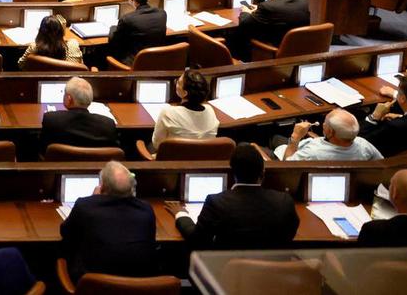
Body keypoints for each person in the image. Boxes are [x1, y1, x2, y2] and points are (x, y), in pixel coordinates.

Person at [170, 144, 299, 249]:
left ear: (233, 173)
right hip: (273, 275)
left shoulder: (216, 202)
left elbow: (197, 239)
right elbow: (289, 235)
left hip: (229, 275)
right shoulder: (284, 201)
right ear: (263, 173)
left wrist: (181, 214)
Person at [59, 161, 157, 280]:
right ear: (132, 188)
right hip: (140, 286)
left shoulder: (85, 206)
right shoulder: (146, 210)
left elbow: (65, 232)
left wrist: (93, 200)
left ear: (102, 187)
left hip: (93, 286)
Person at [227, 0, 309, 60]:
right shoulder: (302, 2)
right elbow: (281, 10)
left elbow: (245, 23)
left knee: (236, 34)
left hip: (274, 50)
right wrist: (258, 10)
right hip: (297, 50)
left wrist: (245, 12)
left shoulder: (267, 7)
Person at [150, 70, 218, 152]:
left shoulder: (167, 113)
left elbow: (157, 144)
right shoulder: (210, 111)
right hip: (203, 159)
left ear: (185, 93)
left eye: (178, 82)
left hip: (173, 160)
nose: (176, 83)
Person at [275, 108, 381, 161]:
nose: (323, 124)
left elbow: (286, 165)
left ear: (330, 132)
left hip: (283, 156)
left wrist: (295, 138)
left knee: (273, 138)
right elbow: (380, 162)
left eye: (325, 123)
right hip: (309, 144)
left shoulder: (312, 154)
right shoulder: (364, 145)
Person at [41, 77, 118, 150]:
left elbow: (43, 146)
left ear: (69, 99)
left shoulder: (51, 119)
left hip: (58, 163)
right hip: (94, 163)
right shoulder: (108, 125)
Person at [106, 0, 166, 65]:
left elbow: (114, 41)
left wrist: (112, 27)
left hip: (135, 64)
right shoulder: (161, 14)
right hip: (157, 61)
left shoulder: (127, 19)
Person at [17, 15, 83, 66]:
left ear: (40, 32)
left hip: (39, 80)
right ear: (61, 32)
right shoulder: (73, 45)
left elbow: (21, 65)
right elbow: (81, 65)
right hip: (69, 82)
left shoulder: (34, 47)